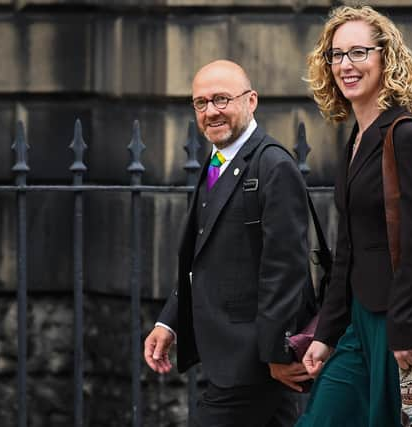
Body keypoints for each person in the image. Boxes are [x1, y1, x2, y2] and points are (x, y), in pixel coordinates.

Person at [295, 6, 412, 427]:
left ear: (386, 58)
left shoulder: (408, 135)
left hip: (403, 321)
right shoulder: (357, 138)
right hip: (360, 323)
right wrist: (326, 333)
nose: (345, 64)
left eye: (359, 52)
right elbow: (347, 248)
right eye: (336, 55)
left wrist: (403, 324)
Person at [143, 60, 312, 427]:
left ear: (251, 101)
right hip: (228, 353)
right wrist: (169, 322)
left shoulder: (273, 165)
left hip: (251, 360)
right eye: (200, 103)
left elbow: (286, 268)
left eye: (221, 99)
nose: (210, 111)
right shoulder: (217, 162)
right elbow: (204, 259)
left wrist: (276, 354)